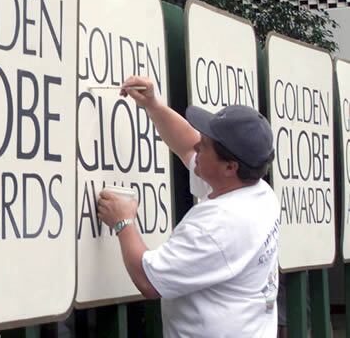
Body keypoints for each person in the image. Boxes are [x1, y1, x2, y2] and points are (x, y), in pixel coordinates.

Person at [97, 76, 280, 338]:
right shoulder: (257, 192)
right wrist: (153, 105)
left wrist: (123, 222)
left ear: (230, 167)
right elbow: (185, 144)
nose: (196, 145)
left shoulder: (219, 225)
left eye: (204, 146)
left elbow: (149, 281)